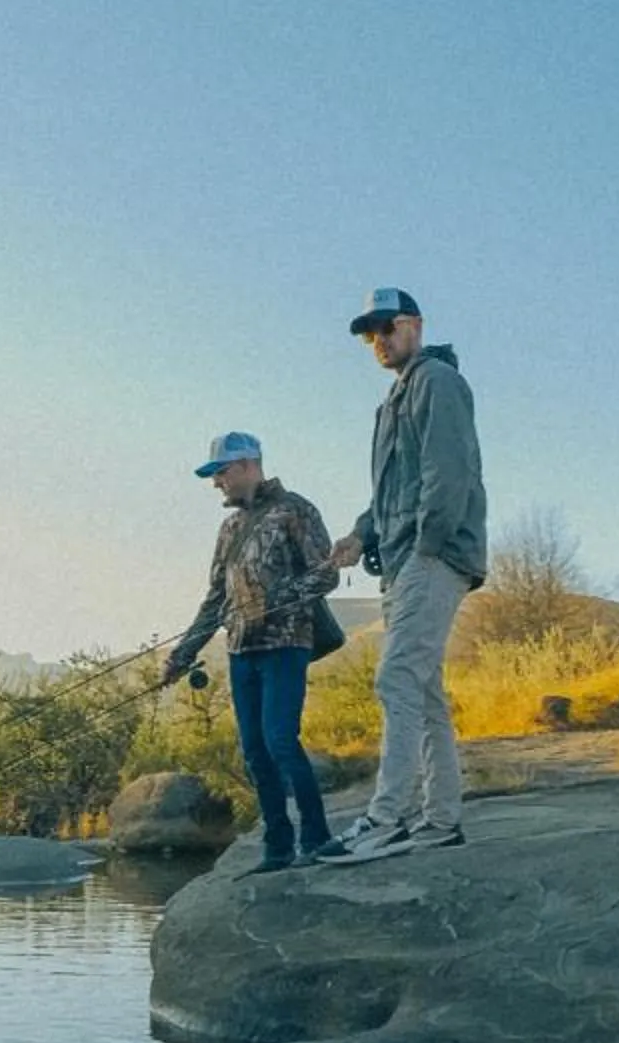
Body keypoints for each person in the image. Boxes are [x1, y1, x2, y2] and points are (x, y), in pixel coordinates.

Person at [324, 288, 487, 862]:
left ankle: (385, 820)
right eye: (370, 335)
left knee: (395, 679)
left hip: (430, 556)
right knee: (423, 691)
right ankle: (441, 821)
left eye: (387, 329)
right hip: (401, 557)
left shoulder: (435, 381)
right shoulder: (395, 399)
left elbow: (449, 470)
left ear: (414, 325)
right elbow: (392, 491)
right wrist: (359, 535)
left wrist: (427, 547)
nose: (378, 341)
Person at [161, 432, 343, 873]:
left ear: (247, 465)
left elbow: (327, 574)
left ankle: (318, 839)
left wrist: (277, 598)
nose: (216, 483)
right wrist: (182, 654)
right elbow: (215, 599)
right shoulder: (229, 529)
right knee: (254, 751)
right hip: (241, 649)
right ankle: (277, 848)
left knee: (281, 740)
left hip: (286, 645)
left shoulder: (295, 510)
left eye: (220, 472)